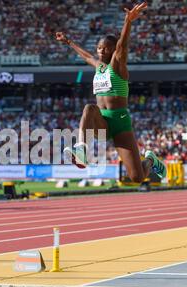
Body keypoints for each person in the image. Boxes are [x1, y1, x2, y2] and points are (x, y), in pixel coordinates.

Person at [55, 2, 166, 183]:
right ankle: (81, 149)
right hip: (103, 121)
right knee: (89, 108)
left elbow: (122, 45)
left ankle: (150, 160)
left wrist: (128, 22)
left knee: (136, 177)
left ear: (114, 50)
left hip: (120, 121)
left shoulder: (118, 66)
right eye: (99, 47)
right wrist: (68, 42)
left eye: (105, 47)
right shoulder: (99, 67)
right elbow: (86, 56)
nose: (101, 50)